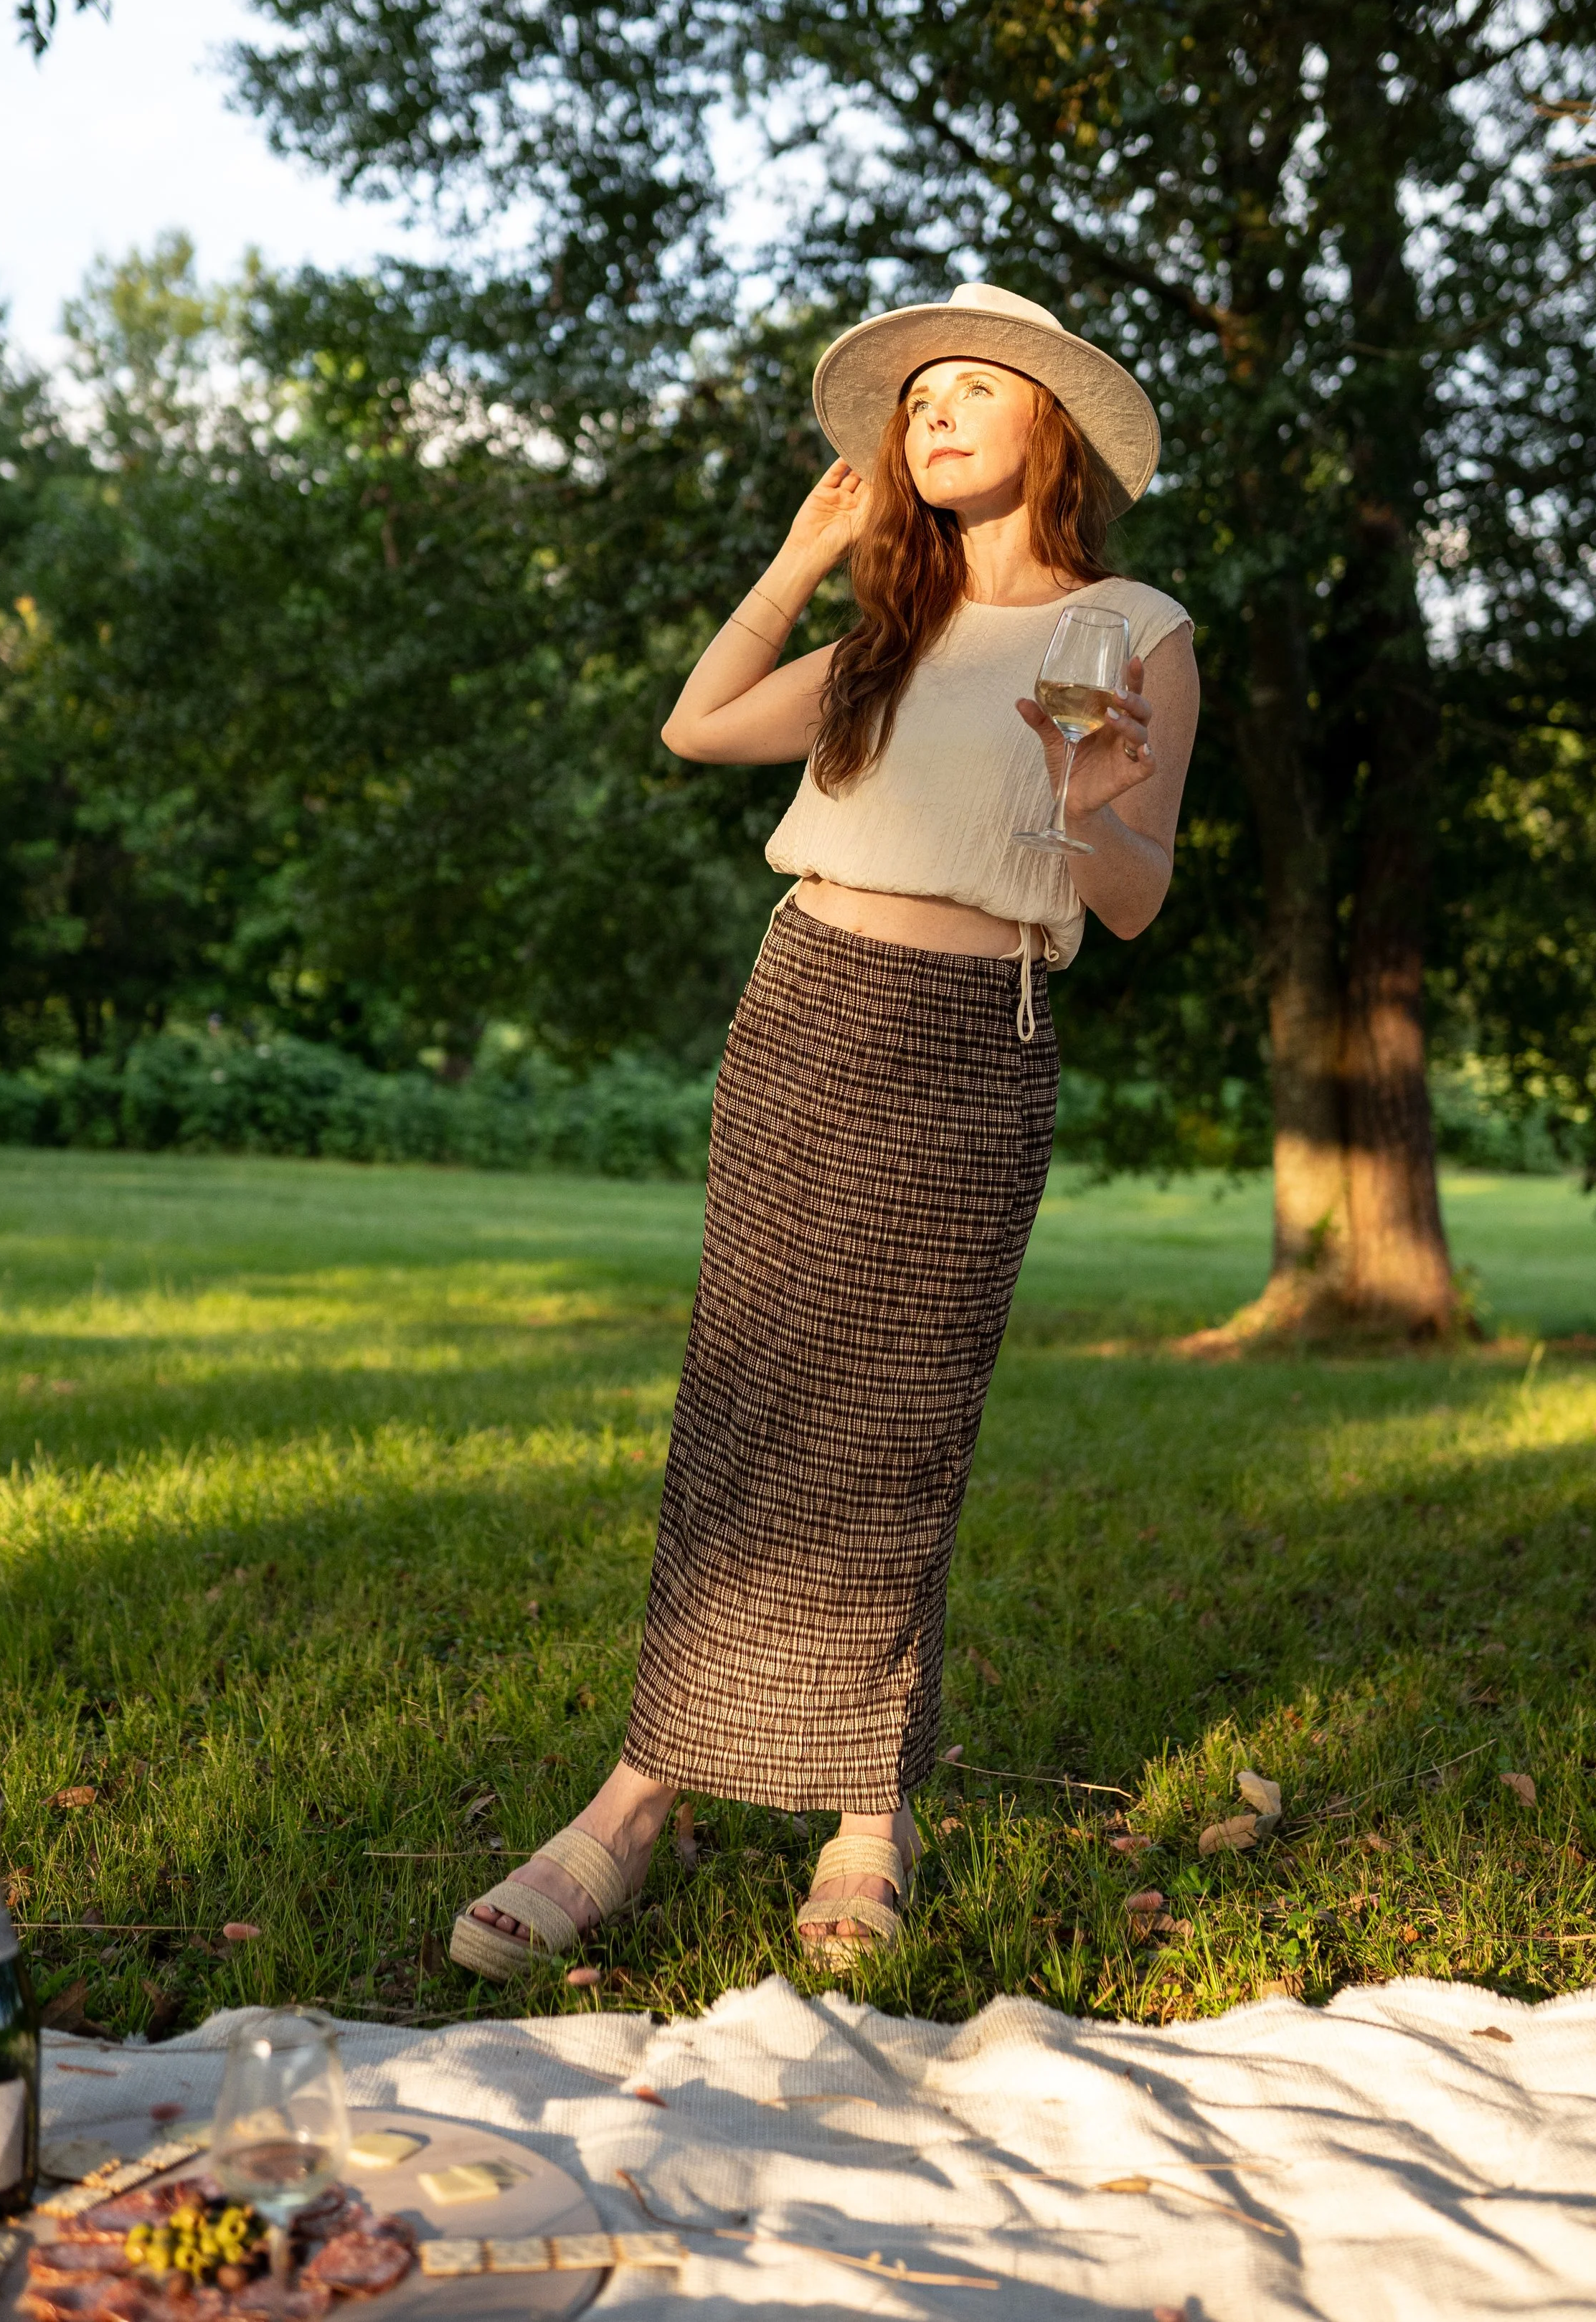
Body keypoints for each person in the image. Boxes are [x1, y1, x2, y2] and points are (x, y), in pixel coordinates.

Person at [450, 283, 1199, 1976]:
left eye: (967, 390)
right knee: (741, 1406)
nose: (928, 416)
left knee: (898, 1431)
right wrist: (800, 557)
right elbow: (696, 725)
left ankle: (870, 1814)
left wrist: (1087, 817)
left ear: (1048, 427)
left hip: (970, 1041)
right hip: (805, 1016)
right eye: (911, 398)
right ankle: (638, 1795)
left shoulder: (1128, 631)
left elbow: (1138, 902)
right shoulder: (884, 638)